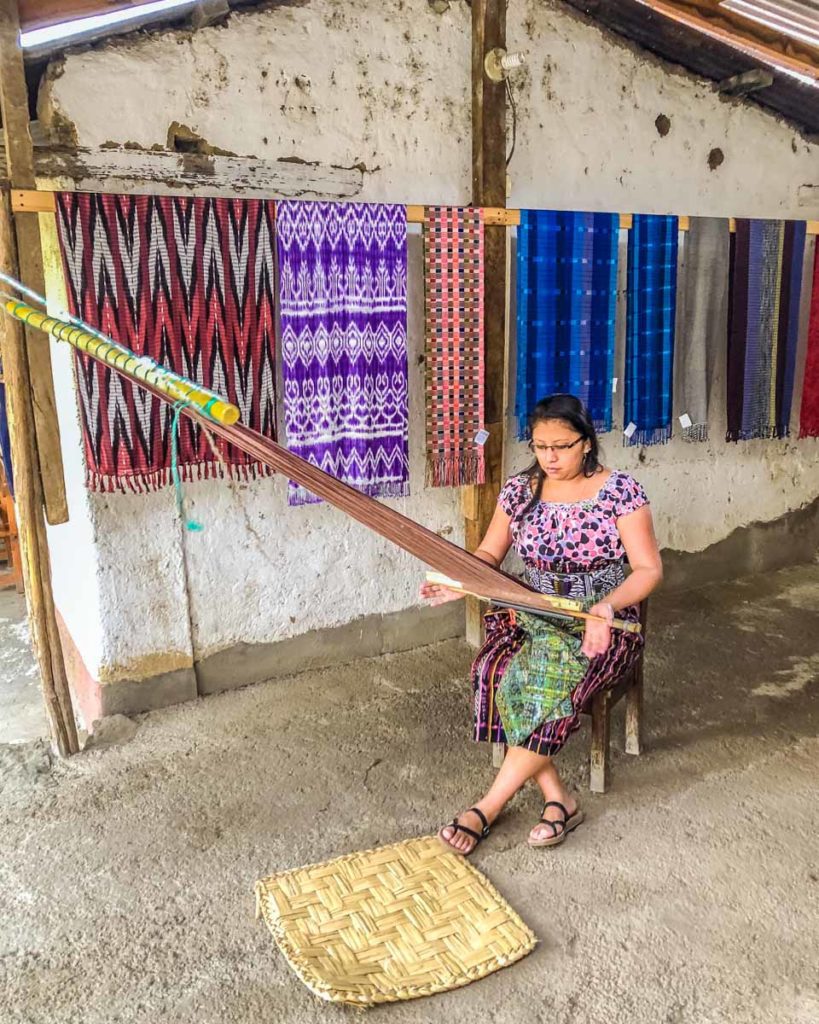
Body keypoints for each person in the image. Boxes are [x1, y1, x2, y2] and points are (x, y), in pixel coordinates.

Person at [420, 393, 663, 854]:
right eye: (539, 446)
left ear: (586, 443)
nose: (550, 457)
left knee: (549, 674)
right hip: (536, 611)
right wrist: (462, 581)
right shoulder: (519, 491)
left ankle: (488, 807)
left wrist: (606, 608)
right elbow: (490, 555)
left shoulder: (621, 491)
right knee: (493, 668)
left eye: (562, 446)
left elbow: (649, 570)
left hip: (603, 620)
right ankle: (559, 800)